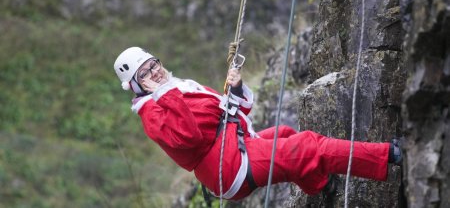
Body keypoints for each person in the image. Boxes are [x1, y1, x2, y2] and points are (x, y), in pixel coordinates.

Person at [113, 45, 402, 201]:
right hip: (229, 166)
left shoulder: (178, 87)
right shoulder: (153, 112)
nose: (156, 72)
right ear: (137, 87)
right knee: (308, 147)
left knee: (286, 134)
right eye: (145, 74)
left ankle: (321, 186)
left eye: (154, 64)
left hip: (233, 147)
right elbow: (190, 138)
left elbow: (230, 110)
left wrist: (235, 88)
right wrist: (165, 93)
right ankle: (390, 155)